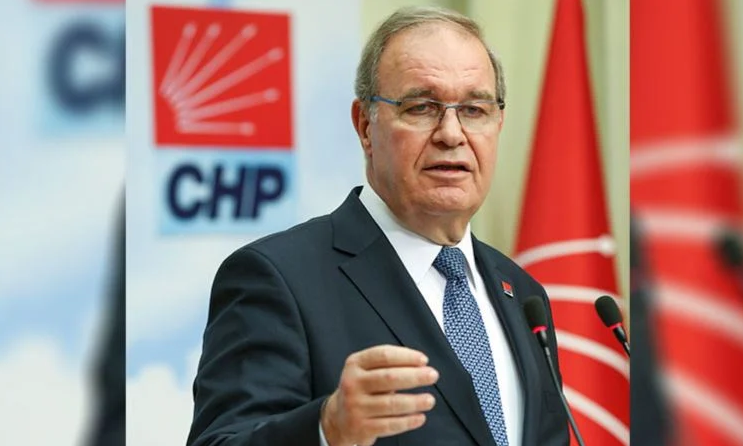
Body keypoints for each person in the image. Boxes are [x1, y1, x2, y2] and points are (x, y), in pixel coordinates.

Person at [187, 6, 569, 446]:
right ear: (365, 126)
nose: (451, 133)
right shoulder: (278, 278)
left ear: (498, 123)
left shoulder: (522, 293)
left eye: (473, 109)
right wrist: (326, 429)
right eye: (421, 107)